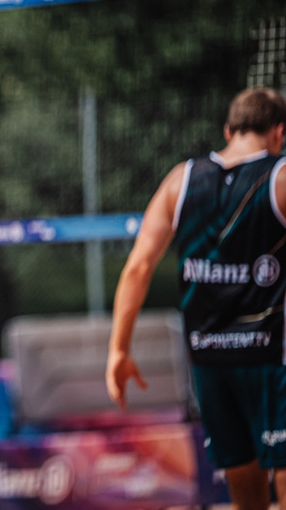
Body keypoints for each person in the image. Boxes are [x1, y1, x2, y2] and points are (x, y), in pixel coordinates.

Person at [106, 86, 286, 510]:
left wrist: (118, 349)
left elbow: (137, 268)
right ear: (279, 133)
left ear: (228, 129)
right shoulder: (280, 176)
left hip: (209, 360)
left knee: (246, 495)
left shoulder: (180, 180)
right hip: (272, 356)